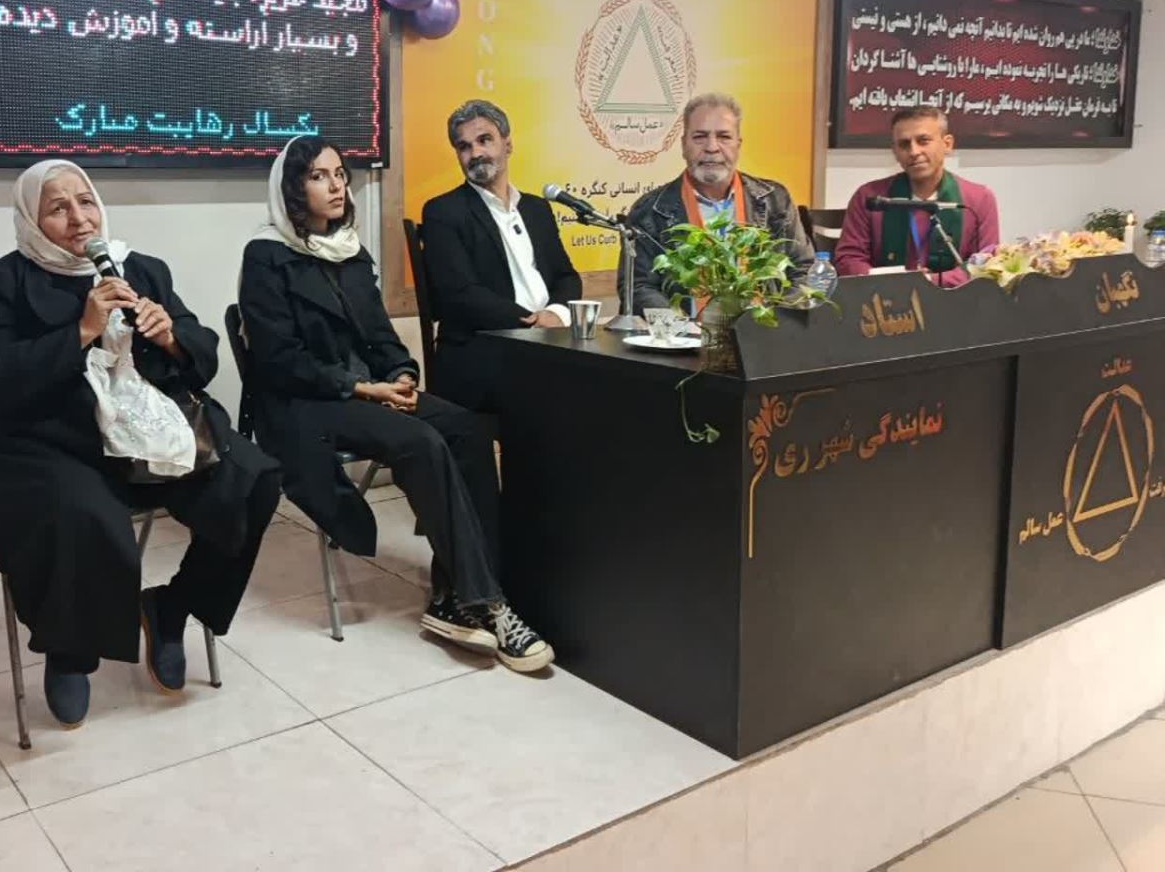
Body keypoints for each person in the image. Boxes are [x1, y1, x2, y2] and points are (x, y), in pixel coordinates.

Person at [0, 160, 279, 727]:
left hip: (143, 434)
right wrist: (81, 330)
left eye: (86, 202)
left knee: (253, 480)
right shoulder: (0, 284)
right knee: (85, 516)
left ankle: (172, 608)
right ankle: (69, 653)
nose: (80, 218)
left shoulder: (142, 269)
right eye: (58, 208)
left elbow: (200, 353)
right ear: (31, 220)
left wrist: (170, 337)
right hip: (45, 439)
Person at [238, 136, 554, 673]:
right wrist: (364, 389)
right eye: (318, 176)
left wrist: (401, 374)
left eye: (340, 174)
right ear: (292, 189)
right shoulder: (267, 255)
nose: (336, 186)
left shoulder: (350, 251)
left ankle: (454, 593)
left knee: (467, 428)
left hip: (369, 391)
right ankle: (490, 603)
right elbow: (278, 360)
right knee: (420, 441)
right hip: (305, 403)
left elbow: (380, 336)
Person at [418, 99, 581, 411]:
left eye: (484, 140)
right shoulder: (443, 211)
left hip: (548, 345)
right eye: (464, 146)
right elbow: (461, 294)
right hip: (483, 351)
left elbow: (566, 277)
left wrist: (556, 315)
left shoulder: (536, 208)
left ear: (508, 144)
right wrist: (532, 323)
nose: (475, 153)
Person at [621, 92, 814, 314]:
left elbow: (804, 270)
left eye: (724, 137)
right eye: (700, 137)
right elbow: (638, 287)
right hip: (685, 332)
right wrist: (681, 327)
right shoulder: (650, 211)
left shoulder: (775, 200)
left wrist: (770, 322)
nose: (712, 147)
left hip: (762, 331)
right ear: (683, 145)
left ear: (738, 144)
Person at [834, 106, 1000, 287]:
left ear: (947, 144)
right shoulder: (871, 198)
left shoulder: (978, 200)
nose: (914, 152)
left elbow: (985, 264)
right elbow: (848, 260)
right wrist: (894, 281)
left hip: (954, 300)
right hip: (885, 298)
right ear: (895, 151)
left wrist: (928, 282)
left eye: (923, 141)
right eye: (904, 144)